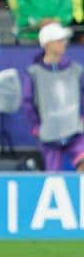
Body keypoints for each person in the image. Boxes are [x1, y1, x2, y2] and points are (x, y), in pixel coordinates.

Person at [26, 23, 83, 174]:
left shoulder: (75, 69)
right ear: (47, 44)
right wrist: (36, 127)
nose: (64, 43)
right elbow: (28, 103)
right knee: (53, 177)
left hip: (75, 131)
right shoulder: (34, 73)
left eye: (64, 40)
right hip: (49, 135)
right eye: (59, 40)